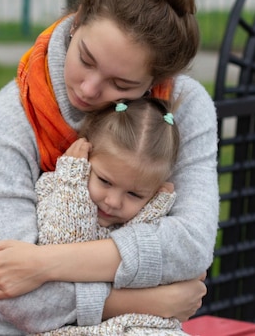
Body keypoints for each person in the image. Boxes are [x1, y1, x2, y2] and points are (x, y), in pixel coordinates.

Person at [0, 0, 219, 335]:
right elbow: (15, 295)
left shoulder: (186, 107)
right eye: (85, 59)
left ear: (154, 81)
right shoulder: (12, 119)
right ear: (78, 20)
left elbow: (191, 246)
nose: (89, 89)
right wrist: (149, 300)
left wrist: (43, 265)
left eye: (122, 85)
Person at [34, 98, 190, 335]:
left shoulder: (147, 215)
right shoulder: (58, 188)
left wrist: (153, 210)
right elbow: (63, 247)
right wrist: (72, 180)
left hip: (129, 325)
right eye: (105, 181)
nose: (113, 202)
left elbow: (143, 275)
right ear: (85, 158)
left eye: (134, 194)